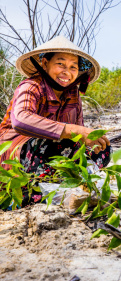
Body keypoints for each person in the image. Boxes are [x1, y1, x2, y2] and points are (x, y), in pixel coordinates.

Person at [0, 36, 112, 208]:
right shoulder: (31, 86)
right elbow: (20, 120)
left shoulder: (73, 94)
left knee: (101, 148)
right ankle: (36, 194)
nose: (67, 71)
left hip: (53, 159)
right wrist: (73, 131)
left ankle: (80, 184)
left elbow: (79, 137)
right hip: (17, 157)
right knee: (49, 145)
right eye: (61, 64)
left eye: (73, 66)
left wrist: (86, 139)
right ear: (45, 63)